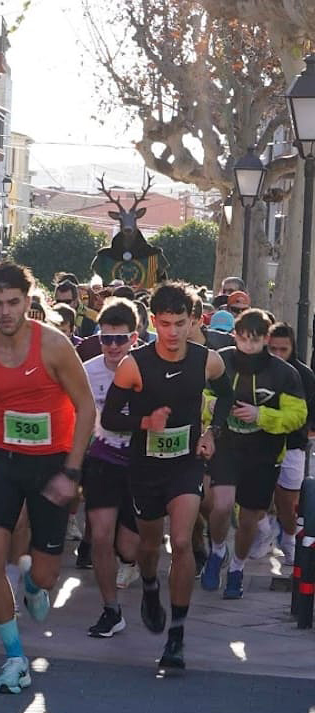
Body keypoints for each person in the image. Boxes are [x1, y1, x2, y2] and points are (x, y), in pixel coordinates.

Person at [0, 262, 96, 694]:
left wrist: (72, 471)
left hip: (52, 461)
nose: (4, 312)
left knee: (47, 574)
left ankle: (34, 585)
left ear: (28, 300)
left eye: (13, 302)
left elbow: (87, 408)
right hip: (2, 457)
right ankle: (14, 657)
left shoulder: (53, 346)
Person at [102, 281, 233, 671]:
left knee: (180, 540)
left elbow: (226, 397)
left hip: (186, 463)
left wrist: (212, 433)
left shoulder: (207, 360)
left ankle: (176, 635)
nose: (172, 333)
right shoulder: (133, 364)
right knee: (148, 547)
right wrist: (145, 421)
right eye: (164, 324)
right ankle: (149, 585)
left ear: (194, 321)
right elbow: (109, 418)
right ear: (153, 322)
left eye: (180, 323)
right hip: (145, 468)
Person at [201, 309, 306, 598]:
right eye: (244, 339)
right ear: (234, 335)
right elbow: (201, 394)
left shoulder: (284, 373)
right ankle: (218, 551)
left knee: (249, 518)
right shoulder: (220, 360)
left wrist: (261, 415)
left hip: (264, 452)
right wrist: (209, 407)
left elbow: (297, 416)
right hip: (227, 445)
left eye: (255, 340)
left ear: (265, 339)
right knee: (220, 506)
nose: (248, 345)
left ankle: (237, 567)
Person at [80, 299, 142, 637]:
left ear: (135, 337)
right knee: (100, 536)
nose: (114, 346)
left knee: (128, 546)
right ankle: (111, 610)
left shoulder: (148, 366)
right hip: (102, 461)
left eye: (121, 339)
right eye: (107, 339)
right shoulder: (87, 372)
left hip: (141, 465)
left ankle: (131, 564)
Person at [267, 322, 315, 564]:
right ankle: (266, 533)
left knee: (289, 501)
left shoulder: (304, 374)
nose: (277, 355)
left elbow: (310, 411)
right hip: (260, 443)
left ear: (292, 348)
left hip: (293, 445)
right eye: (272, 349)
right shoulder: (260, 371)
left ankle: (288, 538)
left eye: (282, 349)